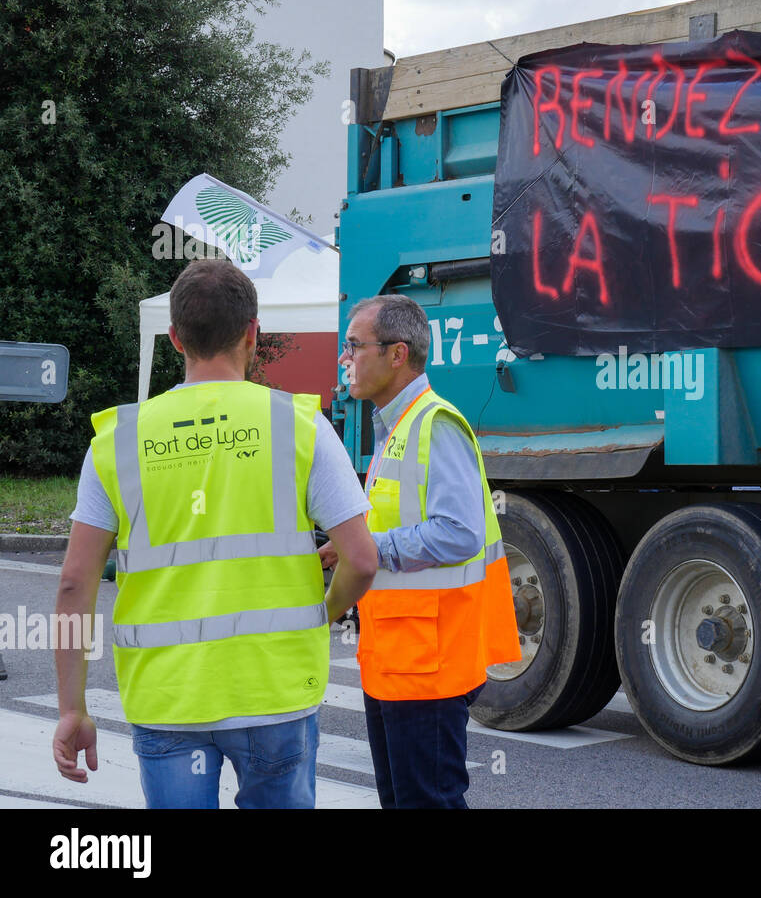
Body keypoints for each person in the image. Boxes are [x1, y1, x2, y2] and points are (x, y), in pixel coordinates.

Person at [53, 258, 378, 808]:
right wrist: (319, 615)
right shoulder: (300, 426)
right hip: (273, 692)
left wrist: (71, 709)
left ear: (176, 338)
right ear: (253, 333)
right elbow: (363, 560)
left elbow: (73, 586)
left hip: (168, 698)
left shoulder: (117, 441)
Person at [323, 293, 519, 808]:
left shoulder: (434, 423)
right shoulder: (398, 426)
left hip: (429, 662)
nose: (346, 359)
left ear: (397, 353)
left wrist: (368, 546)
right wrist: (345, 549)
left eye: (355, 346)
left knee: (427, 801)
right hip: (398, 655)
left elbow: (460, 533)